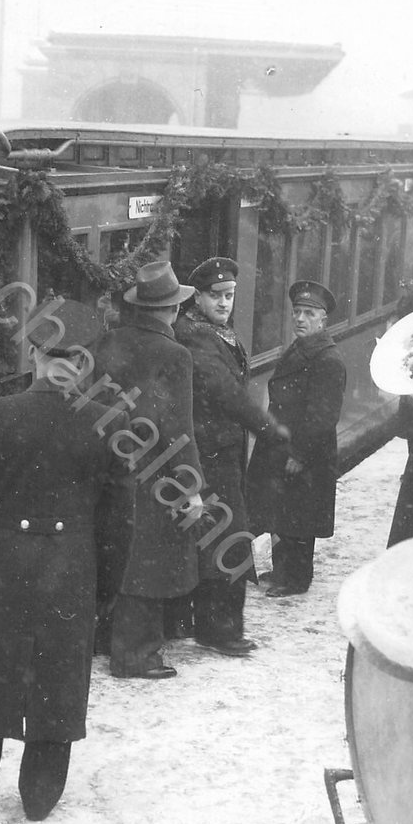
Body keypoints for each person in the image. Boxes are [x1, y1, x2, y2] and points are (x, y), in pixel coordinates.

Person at [0, 300, 135, 822]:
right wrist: (105, 587)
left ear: (36, 354)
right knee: (58, 677)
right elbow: (118, 520)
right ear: (85, 363)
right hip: (71, 573)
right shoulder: (109, 425)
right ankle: (41, 795)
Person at [89, 261, 205, 680]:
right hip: (153, 472)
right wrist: (191, 486)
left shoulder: (109, 343)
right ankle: (136, 656)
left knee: (115, 554)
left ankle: (106, 642)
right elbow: (178, 427)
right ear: (172, 310)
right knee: (148, 562)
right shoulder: (174, 354)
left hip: (108, 465)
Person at [170, 257, 287, 656]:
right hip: (211, 454)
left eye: (230, 295)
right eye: (216, 296)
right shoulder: (196, 337)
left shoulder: (212, 330)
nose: (224, 303)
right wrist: (268, 426)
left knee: (217, 538)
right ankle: (220, 630)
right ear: (197, 298)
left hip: (219, 450)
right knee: (227, 539)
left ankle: (209, 624)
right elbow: (225, 392)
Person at [247, 281, 346, 597]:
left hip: (306, 453)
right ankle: (282, 572)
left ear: (323, 319)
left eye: (309, 313)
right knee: (284, 512)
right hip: (285, 447)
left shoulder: (327, 360)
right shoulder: (301, 349)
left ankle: (296, 579)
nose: (300, 319)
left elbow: (322, 417)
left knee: (299, 518)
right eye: (297, 312)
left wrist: (299, 455)